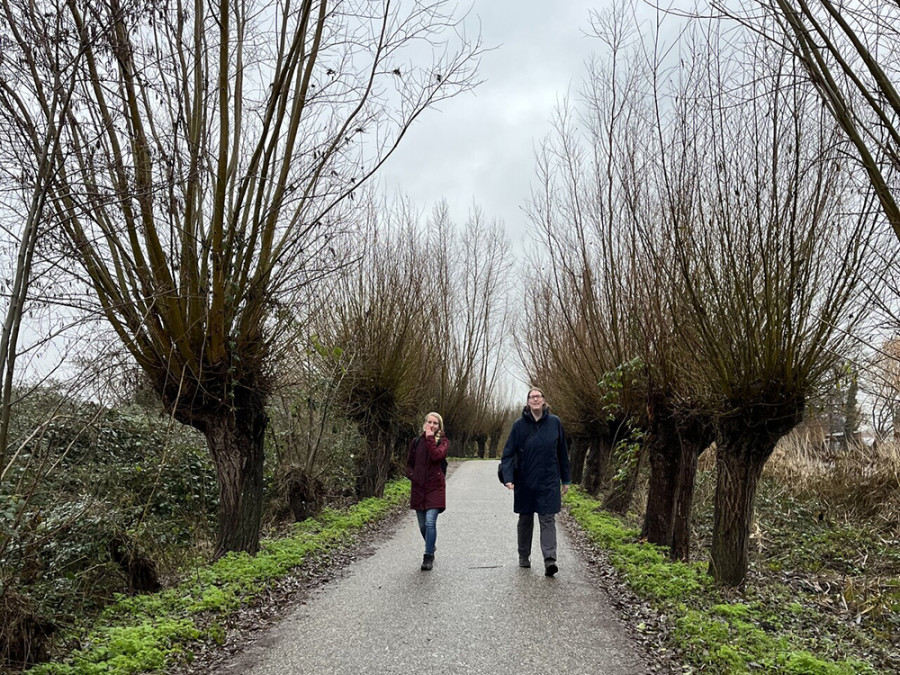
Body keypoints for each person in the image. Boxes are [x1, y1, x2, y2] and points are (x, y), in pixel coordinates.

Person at [499, 388, 571, 576]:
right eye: (532, 397)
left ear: (544, 401)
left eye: (538, 396)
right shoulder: (518, 425)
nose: (535, 399)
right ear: (528, 402)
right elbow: (507, 454)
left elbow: (562, 453)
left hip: (549, 480)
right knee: (525, 519)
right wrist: (508, 478)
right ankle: (524, 556)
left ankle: (550, 560)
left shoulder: (555, 423)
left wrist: (566, 479)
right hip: (525, 480)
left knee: (548, 518)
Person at [405, 412, 449, 571]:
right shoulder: (416, 442)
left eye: (435, 423)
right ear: (424, 423)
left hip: (435, 487)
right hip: (419, 487)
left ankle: (428, 555)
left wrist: (431, 438)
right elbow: (409, 463)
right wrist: (413, 476)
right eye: (429, 422)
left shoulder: (443, 442)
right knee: (423, 525)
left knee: (431, 521)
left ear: (439, 426)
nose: (431, 425)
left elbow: (437, 456)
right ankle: (431, 544)